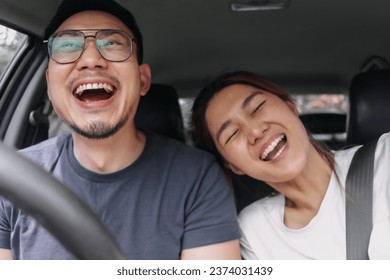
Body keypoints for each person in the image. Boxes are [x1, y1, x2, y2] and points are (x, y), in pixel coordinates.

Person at [0, 0, 241, 260]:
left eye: (112, 44)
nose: (91, 60)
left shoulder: (198, 176)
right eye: (68, 45)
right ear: (49, 84)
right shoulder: (12, 181)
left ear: (142, 80)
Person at [191, 70, 390, 259]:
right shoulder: (255, 230)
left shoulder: (385, 158)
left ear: (291, 106)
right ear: (234, 166)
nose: (255, 132)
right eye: (232, 134)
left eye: (257, 108)